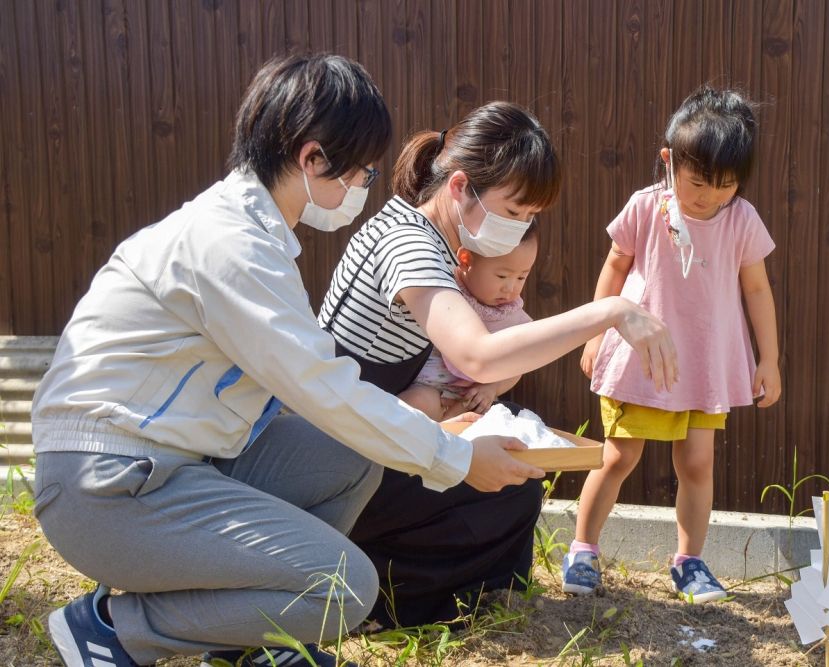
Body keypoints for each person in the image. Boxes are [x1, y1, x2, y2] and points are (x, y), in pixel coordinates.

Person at [30, 54, 547, 667]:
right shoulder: (231, 247)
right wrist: (458, 459)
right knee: (344, 586)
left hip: (171, 465)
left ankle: (250, 644)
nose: (362, 188)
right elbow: (324, 388)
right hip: (111, 485)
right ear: (311, 159)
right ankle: (113, 628)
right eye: (359, 174)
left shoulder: (256, 236)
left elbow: (327, 400)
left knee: (351, 457)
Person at [317, 101, 679, 627]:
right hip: (344, 459)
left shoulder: (434, 239)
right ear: (461, 188)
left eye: (531, 217)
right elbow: (477, 356)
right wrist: (610, 311)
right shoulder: (410, 244)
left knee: (516, 480)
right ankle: (382, 601)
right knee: (504, 486)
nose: (520, 227)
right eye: (514, 213)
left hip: (377, 430)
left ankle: (456, 601)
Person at [564, 87, 782, 602]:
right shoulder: (646, 206)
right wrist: (597, 333)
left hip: (706, 362)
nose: (709, 195)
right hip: (641, 358)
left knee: (698, 465)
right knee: (617, 457)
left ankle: (689, 560)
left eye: (725, 185)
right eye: (698, 181)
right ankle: (583, 549)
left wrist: (768, 357)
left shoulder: (741, 219)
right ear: (670, 160)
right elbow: (615, 266)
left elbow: (756, 288)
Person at [401, 223, 539, 420]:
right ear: (465, 260)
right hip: (424, 385)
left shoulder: (511, 317)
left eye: (521, 277)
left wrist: (492, 388)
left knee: (486, 416)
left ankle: (448, 436)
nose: (510, 287)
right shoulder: (445, 288)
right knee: (417, 403)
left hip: (468, 397)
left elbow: (515, 367)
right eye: (502, 276)